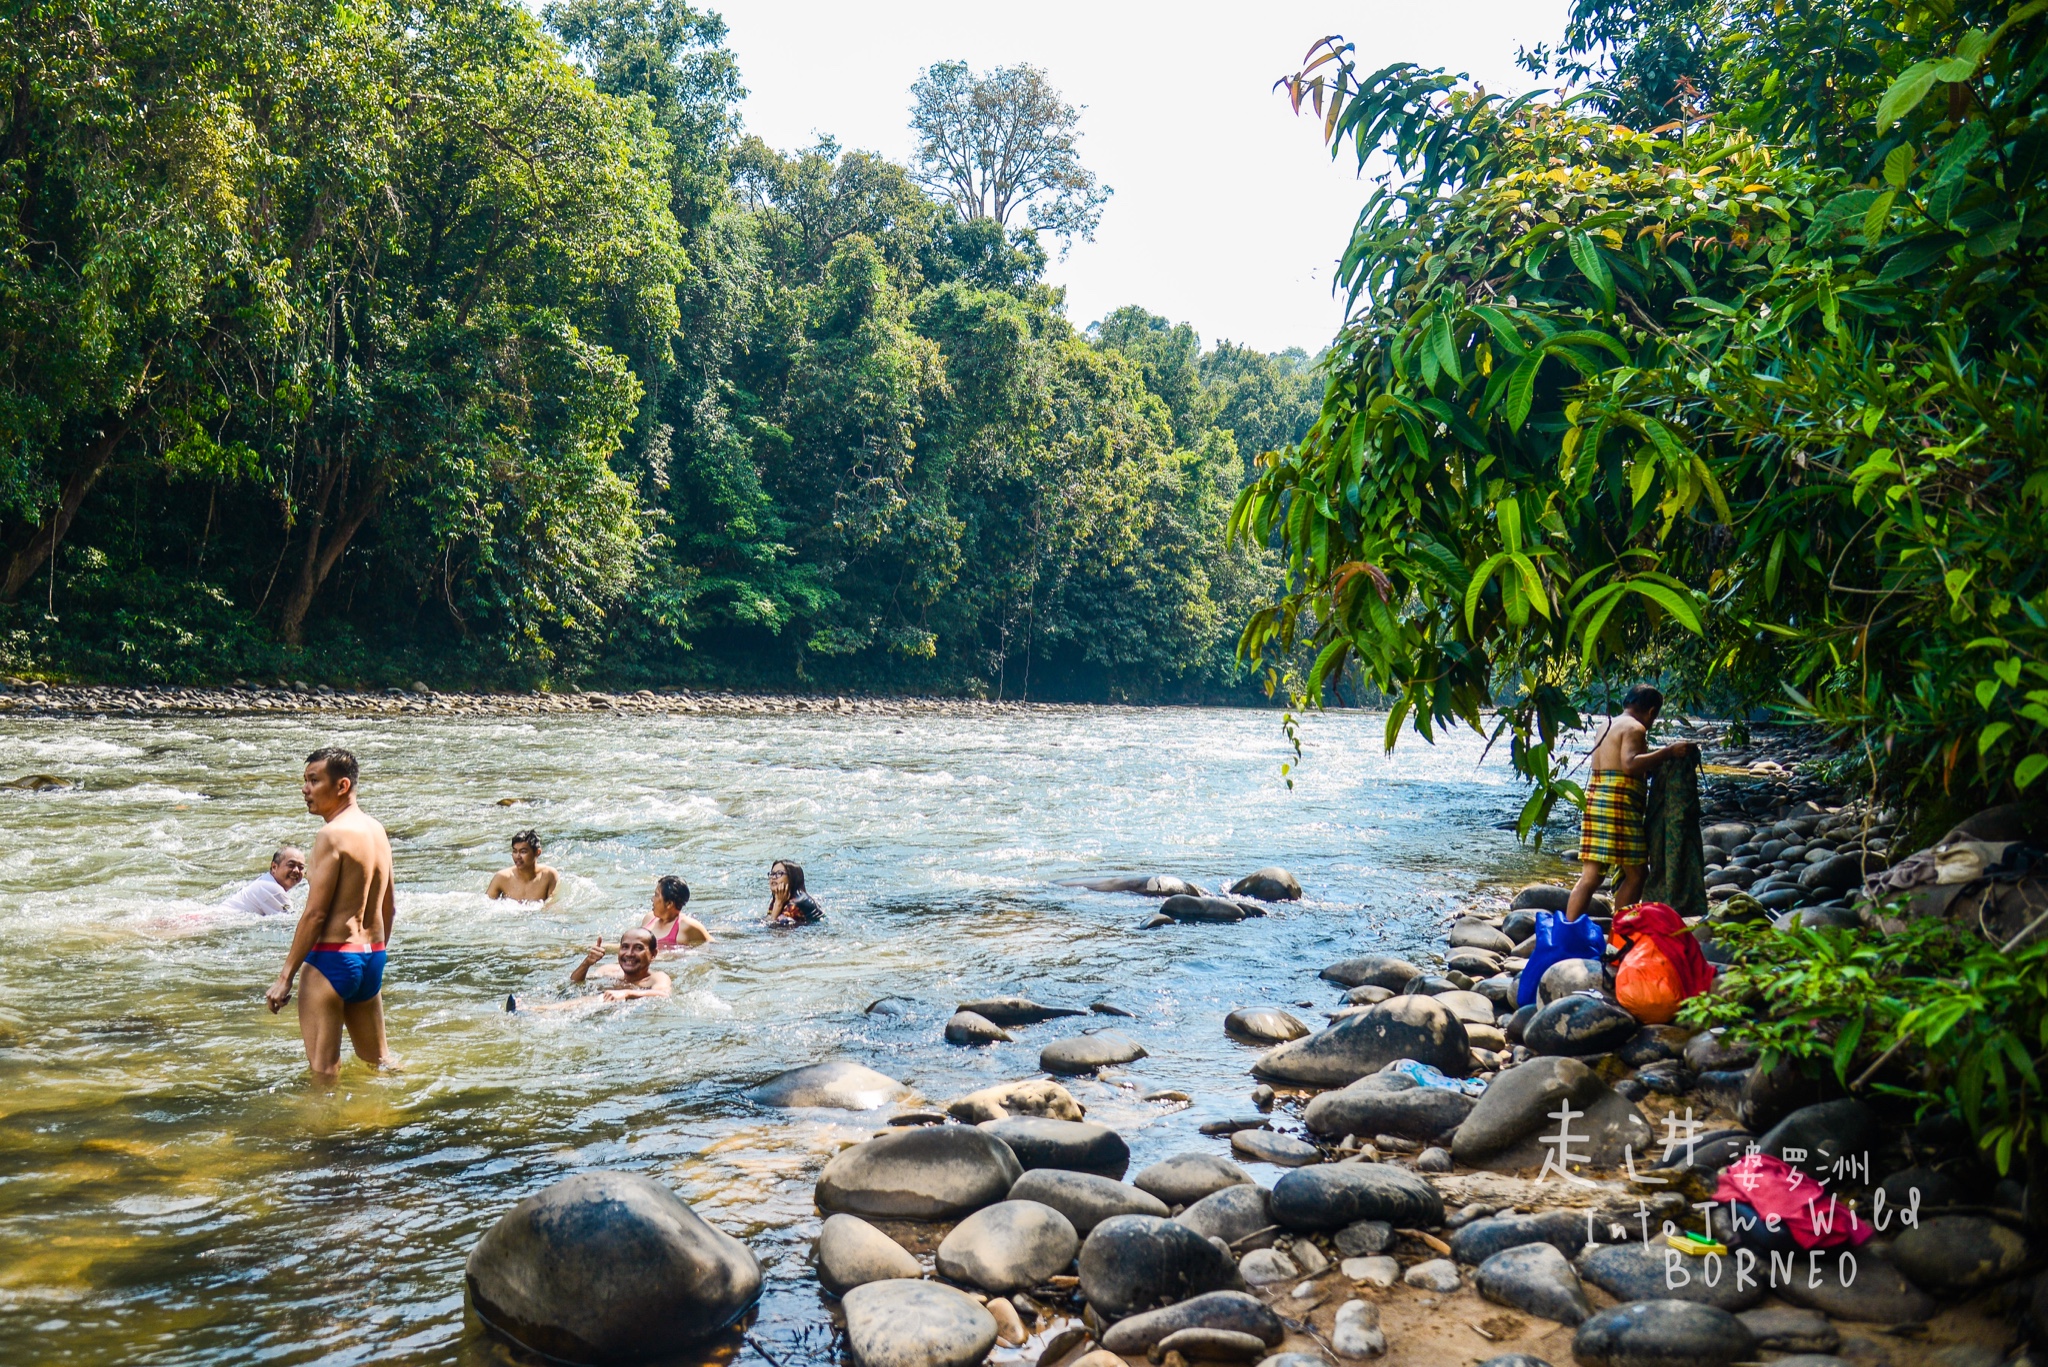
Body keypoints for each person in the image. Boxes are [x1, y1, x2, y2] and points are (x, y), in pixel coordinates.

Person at [265, 748, 398, 1083]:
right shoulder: (376, 830)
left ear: (341, 786)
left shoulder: (331, 835)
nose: (305, 789)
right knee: (380, 1062)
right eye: (305, 781)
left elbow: (315, 913)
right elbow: (389, 906)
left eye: (314, 780)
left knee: (324, 1072)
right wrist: (375, 956)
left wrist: (285, 977)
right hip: (371, 957)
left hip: (332, 960)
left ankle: (326, 1135)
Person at [1566, 685, 1701, 920]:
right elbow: (1629, 764)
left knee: (1591, 877)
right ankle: (1619, 936)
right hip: (1619, 805)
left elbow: (1619, 764)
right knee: (1638, 874)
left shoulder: (1607, 725)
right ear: (1651, 712)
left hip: (1596, 800)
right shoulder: (1635, 727)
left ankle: (1564, 933)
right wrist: (1669, 752)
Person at [507, 928, 671, 1010]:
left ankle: (533, 1010)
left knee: (599, 999)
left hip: (609, 1011)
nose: (629, 954)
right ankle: (530, 1005)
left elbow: (663, 994)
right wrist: (586, 963)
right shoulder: (609, 970)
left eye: (638, 948)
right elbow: (573, 984)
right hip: (584, 1004)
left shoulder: (656, 978)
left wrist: (627, 994)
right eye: (625, 947)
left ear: (653, 954)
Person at [221, 846, 306, 916]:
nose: (296, 870)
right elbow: (295, 923)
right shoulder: (273, 889)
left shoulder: (266, 881)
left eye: (301, 867)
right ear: (274, 867)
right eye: (291, 865)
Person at [486, 829, 558, 902]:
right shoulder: (502, 878)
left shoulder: (548, 875)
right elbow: (486, 906)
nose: (518, 856)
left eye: (523, 852)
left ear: (537, 852)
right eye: (515, 851)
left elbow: (552, 907)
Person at [643, 874, 711, 949]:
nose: (652, 899)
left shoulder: (687, 926)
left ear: (669, 903)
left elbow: (712, 946)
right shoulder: (649, 918)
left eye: (656, 895)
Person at [766, 860, 823, 925]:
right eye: (772, 874)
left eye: (779, 873)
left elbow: (772, 929)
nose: (773, 877)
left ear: (791, 878)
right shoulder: (780, 897)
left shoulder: (796, 903)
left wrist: (778, 904)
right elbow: (768, 919)